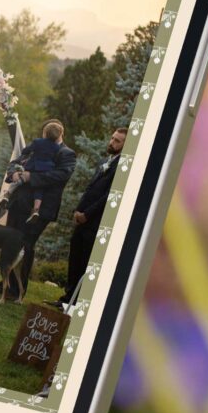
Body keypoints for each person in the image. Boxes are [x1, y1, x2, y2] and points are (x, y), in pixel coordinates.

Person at [0, 120, 77, 301]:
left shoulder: (66, 154)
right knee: (10, 241)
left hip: (39, 208)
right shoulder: (36, 147)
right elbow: (16, 161)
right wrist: (15, 174)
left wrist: (31, 176)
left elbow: (60, 176)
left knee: (26, 245)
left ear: (59, 134)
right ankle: (4, 286)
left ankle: (17, 290)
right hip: (18, 202)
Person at [62, 123, 126, 299]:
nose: (112, 142)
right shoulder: (104, 162)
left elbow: (108, 196)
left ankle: (77, 300)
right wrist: (78, 210)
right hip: (81, 217)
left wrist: (87, 214)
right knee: (74, 258)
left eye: (117, 141)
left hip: (95, 222)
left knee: (85, 261)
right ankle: (67, 297)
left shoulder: (122, 167)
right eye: (112, 138)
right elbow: (91, 189)